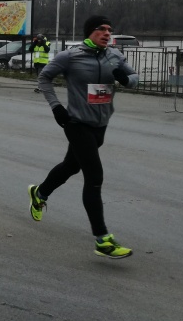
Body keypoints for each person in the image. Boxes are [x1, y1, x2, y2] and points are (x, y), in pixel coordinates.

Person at [29, 15, 139, 259]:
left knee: (70, 166)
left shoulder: (115, 56)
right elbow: (44, 78)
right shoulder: (70, 56)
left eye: (110, 29)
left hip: (101, 124)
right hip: (76, 123)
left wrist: (125, 78)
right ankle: (102, 239)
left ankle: (39, 193)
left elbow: (134, 79)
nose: (107, 33)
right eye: (101, 29)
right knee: (95, 177)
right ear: (90, 32)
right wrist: (56, 106)